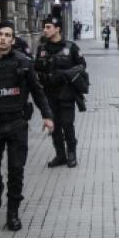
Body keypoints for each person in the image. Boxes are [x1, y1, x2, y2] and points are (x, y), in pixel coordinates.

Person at [0, 21, 54, 231]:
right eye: (0, 35)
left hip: (16, 123)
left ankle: (13, 212)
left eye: (8, 36)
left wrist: (47, 116)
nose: (3, 38)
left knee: (16, 169)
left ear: (13, 40)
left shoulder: (23, 63)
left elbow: (38, 91)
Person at [34, 16, 87, 168]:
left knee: (67, 124)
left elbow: (82, 66)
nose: (45, 30)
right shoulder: (42, 48)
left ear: (57, 29)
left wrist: (65, 74)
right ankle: (60, 155)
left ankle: (71, 153)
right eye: (44, 27)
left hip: (66, 93)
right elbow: (36, 69)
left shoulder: (71, 47)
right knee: (54, 125)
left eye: (48, 27)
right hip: (49, 94)